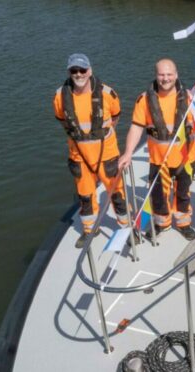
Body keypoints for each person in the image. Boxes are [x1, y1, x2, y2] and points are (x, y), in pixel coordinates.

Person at [119, 58, 195, 241]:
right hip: (159, 160)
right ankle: (162, 223)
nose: (165, 78)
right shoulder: (144, 100)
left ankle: (183, 223)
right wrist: (128, 153)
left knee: (183, 193)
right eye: (161, 74)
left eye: (169, 74)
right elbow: (136, 127)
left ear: (176, 75)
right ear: (156, 75)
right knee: (158, 195)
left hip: (185, 158)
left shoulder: (189, 98)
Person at [53, 53, 128, 248]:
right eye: (74, 71)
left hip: (107, 154)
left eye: (82, 70)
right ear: (69, 72)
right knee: (85, 195)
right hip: (79, 156)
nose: (78, 74)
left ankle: (127, 228)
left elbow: (116, 117)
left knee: (117, 193)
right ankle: (89, 230)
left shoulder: (107, 93)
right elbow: (63, 121)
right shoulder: (60, 96)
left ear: (90, 71)